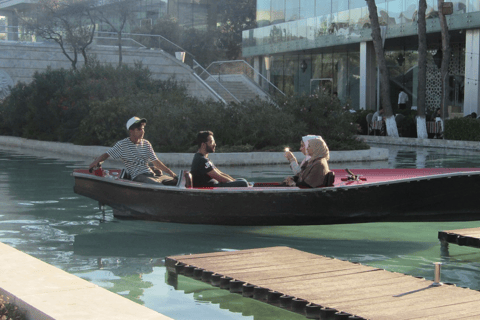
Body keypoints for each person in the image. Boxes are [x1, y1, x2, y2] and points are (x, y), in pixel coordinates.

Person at [88, 116, 178, 186]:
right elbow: (107, 155)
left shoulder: (146, 143)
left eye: (143, 128)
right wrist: (96, 162)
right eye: (139, 129)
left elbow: (156, 162)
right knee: (158, 186)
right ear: (131, 131)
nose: (142, 131)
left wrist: (172, 173)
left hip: (151, 175)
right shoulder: (122, 144)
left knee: (176, 181)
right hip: (138, 176)